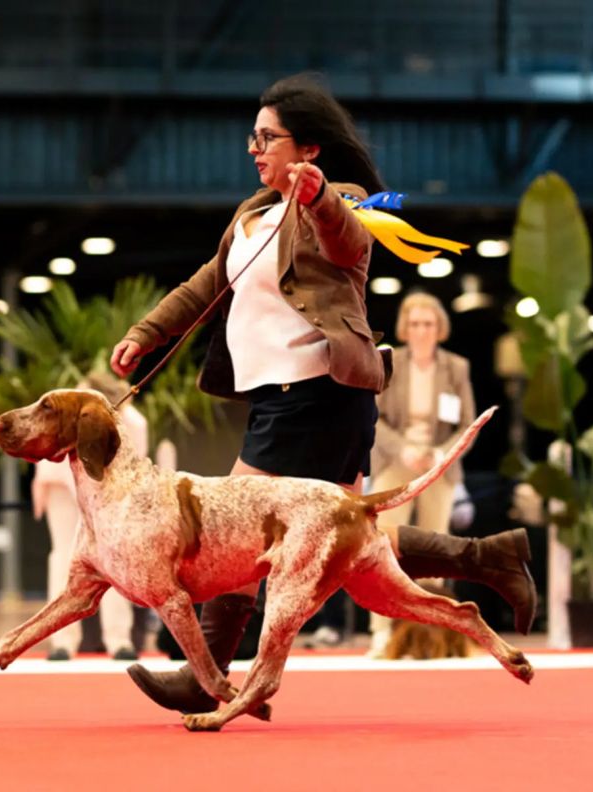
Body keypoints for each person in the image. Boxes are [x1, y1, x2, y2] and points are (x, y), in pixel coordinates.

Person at [109, 74, 535, 714]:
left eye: (267, 138)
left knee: (238, 531)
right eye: (252, 137)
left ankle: (206, 674)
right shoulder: (252, 214)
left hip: (316, 394)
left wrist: (320, 199)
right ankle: (490, 558)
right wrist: (145, 333)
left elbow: (348, 242)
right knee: (350, 545)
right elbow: (206, 285)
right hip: (282, 399)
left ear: (307, 148)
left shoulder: (346, 201)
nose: (254, 149)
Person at [366, 292, 477, 657]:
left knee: (435, 551)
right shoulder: (391, 361)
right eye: (414, 323)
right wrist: (403, 449)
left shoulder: (456, 367)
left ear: (439, 327)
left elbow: (467, 422)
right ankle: (382, 631)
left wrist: (442, 454)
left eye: (428, 324)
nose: (421, 330)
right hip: (396, 460)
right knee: (383, 547)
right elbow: (374, 417)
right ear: (405, 327)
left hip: (439, 464)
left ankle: (432, 630)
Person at [31, 373, 149, 660]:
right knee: (64, 555)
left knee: (115, 556)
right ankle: (62, 641)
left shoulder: (133, 422)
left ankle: (119, 640)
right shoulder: (66, 413)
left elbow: (133, 467)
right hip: (61, 483)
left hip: (110, 489)